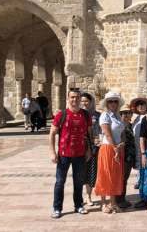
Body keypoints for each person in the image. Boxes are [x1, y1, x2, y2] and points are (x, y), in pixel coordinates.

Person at [49, 88, 92, 219]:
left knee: (78, 181)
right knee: (60, 181)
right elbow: (52, 134)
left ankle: (78, 205)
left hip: (80, 154)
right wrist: (53, 153)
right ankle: (57, 208)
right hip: (63, 154)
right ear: (68, 99)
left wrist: (89, 149)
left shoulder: (86, 115)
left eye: (77, 97)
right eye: (72, 97)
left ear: (80, 99)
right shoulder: (61, 114)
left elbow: (89, 134)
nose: (74, 99)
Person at [94, 92, 126, 214]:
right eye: (111, 101)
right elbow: (107, 134)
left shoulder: (117, 116)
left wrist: (122, 143)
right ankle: (104, 203)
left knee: (114, 175)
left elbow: (122, 132)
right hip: (108, 148)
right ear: (107, 103)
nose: (113, 104)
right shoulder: (105, 116)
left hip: (117, 148)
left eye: (115, 101)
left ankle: (113, 203)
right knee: (105, 174)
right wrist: (115, 149)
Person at [80, 92, 101, 206]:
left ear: (91, 102)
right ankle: (79, 197)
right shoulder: (77, 114)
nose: (84, 103)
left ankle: (88, 196)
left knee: (91, 172)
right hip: (79, 148)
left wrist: (98, 139)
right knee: (80, 173)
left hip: (92, 148)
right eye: (82, 101)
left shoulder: (97, 115)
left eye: (86, 101)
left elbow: (100, 131)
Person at [116, 103, 135, 209]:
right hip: (122, 154)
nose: (127, 115)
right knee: (120, 178)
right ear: (120, 114)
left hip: (130, 155)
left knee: (125, 178)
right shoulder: (119, 125)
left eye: (129, 113)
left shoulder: (130, 125)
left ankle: (123, 198)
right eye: (124, 113)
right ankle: (118, 199)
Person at [130, 95, 147, 200]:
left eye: (142, 104)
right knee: (138, 164)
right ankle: (138, 181)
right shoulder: (136, 119)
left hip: (144, 145)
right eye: (138, 105)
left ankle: (143, 182)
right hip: (136, 145)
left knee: (144, 163)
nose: (140, 106)